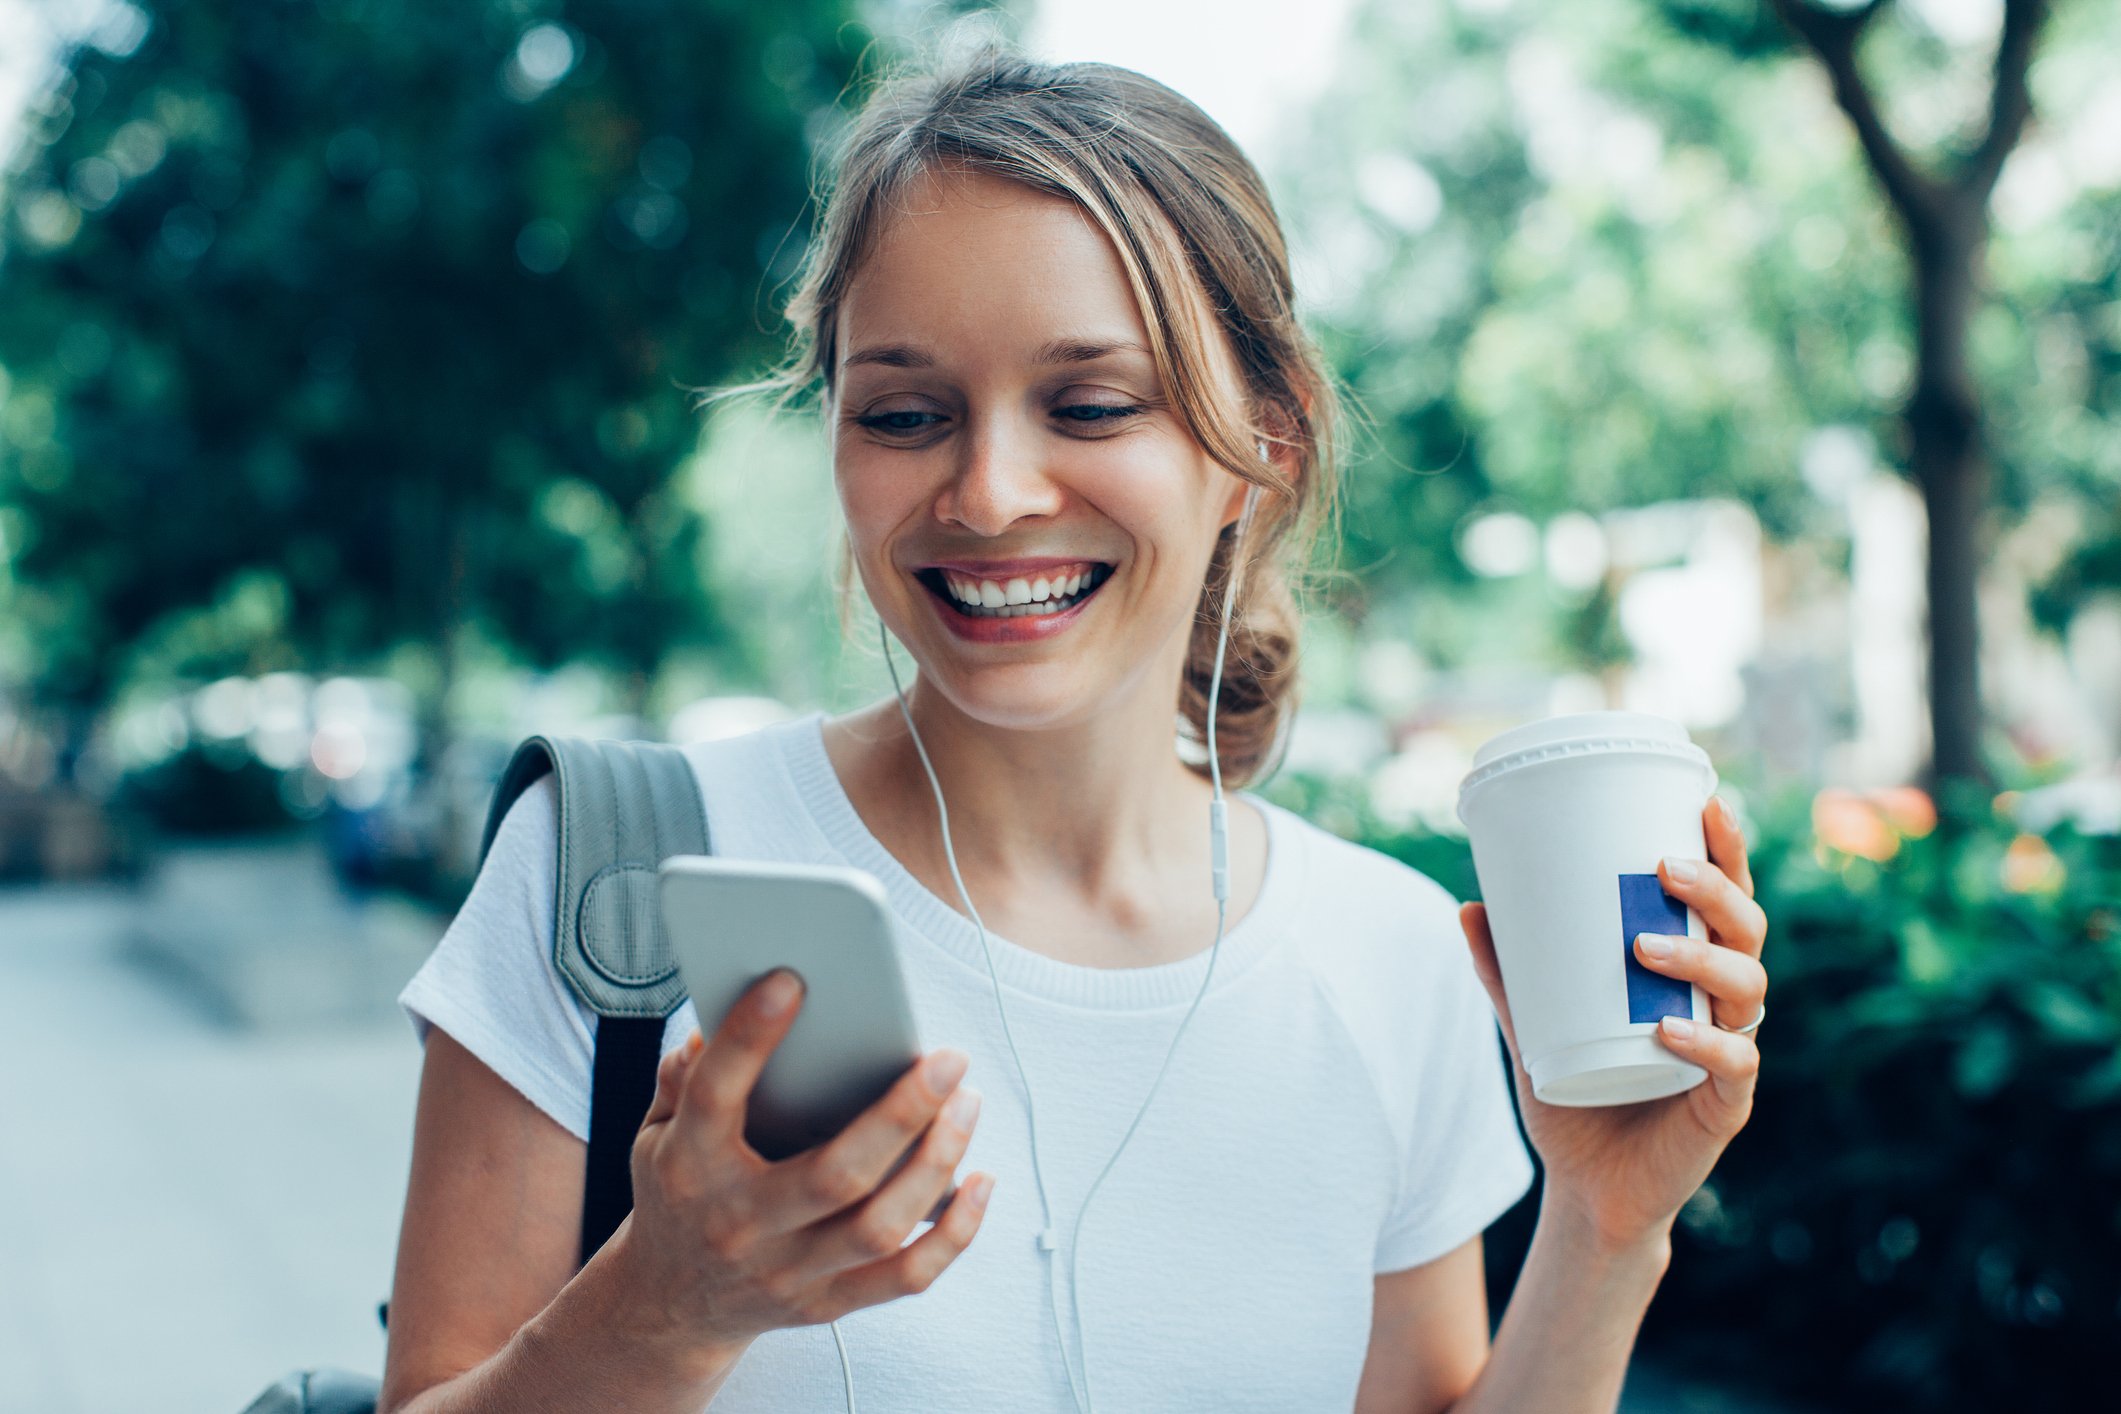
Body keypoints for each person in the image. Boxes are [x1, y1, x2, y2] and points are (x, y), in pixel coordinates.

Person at [378, 37, 1772, 1414]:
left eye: (1090, 404)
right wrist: (665, 1307)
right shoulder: (614, 877)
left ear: (1260, 450)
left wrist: (1606, 1223)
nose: (987, 493)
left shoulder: (1390, 957)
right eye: (906, 412)